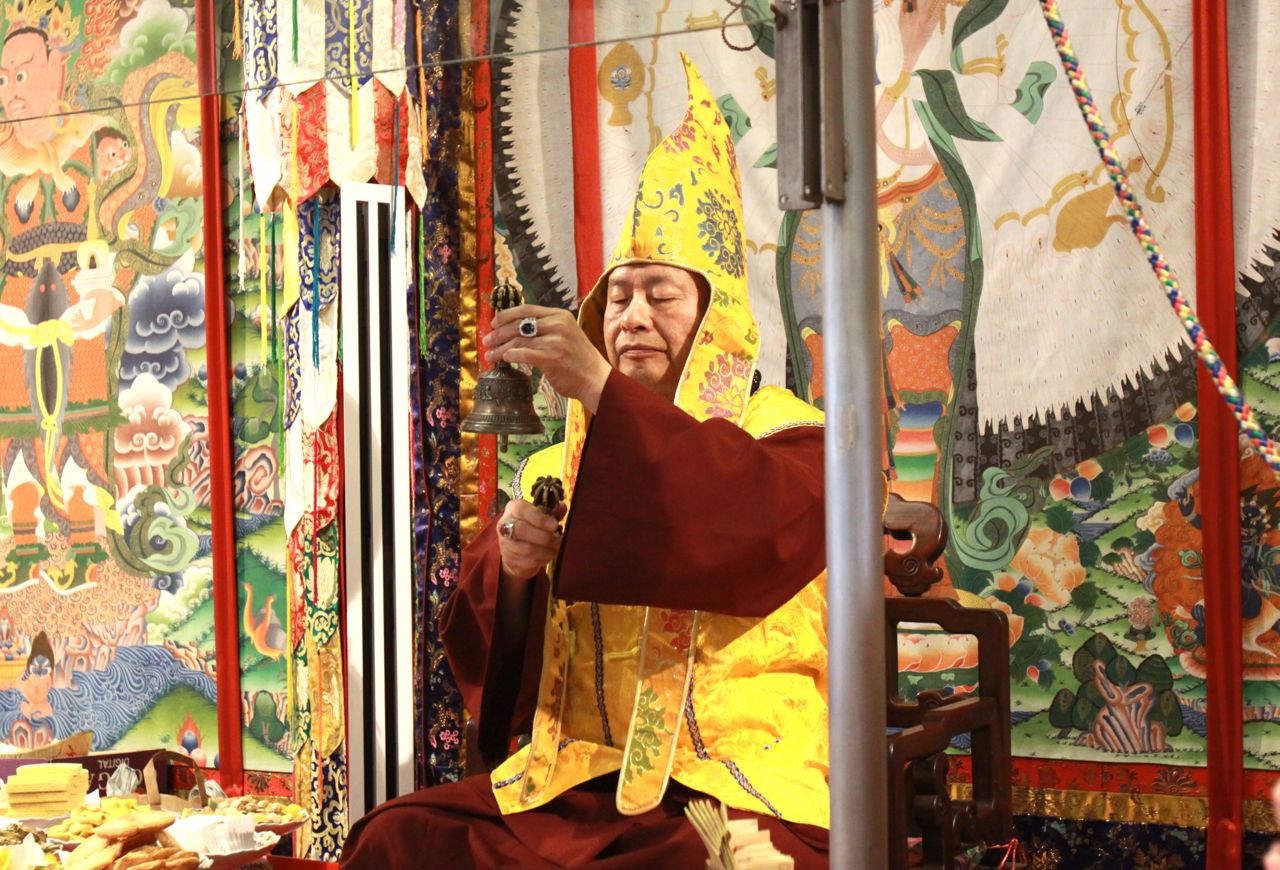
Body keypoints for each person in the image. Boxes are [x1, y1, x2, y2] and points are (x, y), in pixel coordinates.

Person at [342, 54, 831, 868]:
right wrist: (516, 572)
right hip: (578, 779)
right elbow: (496, 660)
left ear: (717, 314)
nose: (631, 318)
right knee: (399, 837)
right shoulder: (563, 459)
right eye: (618, 297)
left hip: (737, 783)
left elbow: (734, 532)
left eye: (661, 296)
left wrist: (601, 388)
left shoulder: (795, 439)